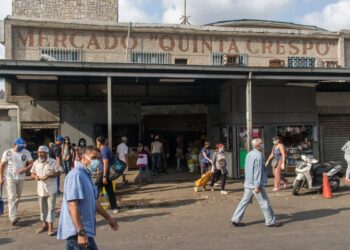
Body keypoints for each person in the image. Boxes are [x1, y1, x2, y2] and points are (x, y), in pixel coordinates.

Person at [57, 145, 118, 249]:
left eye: (99, 158)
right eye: (94, 158)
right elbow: (72, 205)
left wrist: (109, 218)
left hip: (83, 231)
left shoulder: (87, 175)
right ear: (83, 157)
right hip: (77, 232)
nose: (97, 161)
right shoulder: (76, 175)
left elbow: (94, 203)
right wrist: (80, 232)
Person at [231, 138, 282, 227]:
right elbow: (257, 172)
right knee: (264, 203)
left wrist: (246, 181)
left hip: (248, 183)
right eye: (261, 143)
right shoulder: (259, 156)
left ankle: (235, 219)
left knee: (244, 202)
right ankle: (270, 221)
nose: (262, 144)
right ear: (258, 145)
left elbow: (247, 168)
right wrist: (257, 186)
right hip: (255, 184)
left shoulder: (249, 154)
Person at [0, 138, 33, 226]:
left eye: (22, 147)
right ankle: (13, 217)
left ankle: (13, 211)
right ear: (14, 145)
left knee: (18, 197)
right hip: (10, 178)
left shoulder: (26, 152)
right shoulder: (7, 152)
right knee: (11, 197)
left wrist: (26, 169)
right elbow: (2, 165)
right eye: (19, 146)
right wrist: (1, 178)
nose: (21, 148)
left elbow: (31, 163)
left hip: (21, 178)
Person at [31, 145, 60, 236]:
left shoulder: (53, 162)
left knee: (51, 208)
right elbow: (32, 173)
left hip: (51, 189)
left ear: (46, 153)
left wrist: (49, 176)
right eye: (39, 152)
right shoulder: (36, 162)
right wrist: (36, 177)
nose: (40, 154)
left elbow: (58, 172)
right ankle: (45, 225)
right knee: (42, 209)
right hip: (40, 190)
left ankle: (51, 227)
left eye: (42, 152)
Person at [96, 136, 119, 214]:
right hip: (106, 173)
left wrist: (104, 176)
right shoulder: (106, 149)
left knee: (95, 189)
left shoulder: (104, 150)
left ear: (99, 142)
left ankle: (92, 208)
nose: (96, 143)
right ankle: (114, 208)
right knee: (110, 191)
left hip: (104, 173)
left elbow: (106, 163)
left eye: (96, 142)